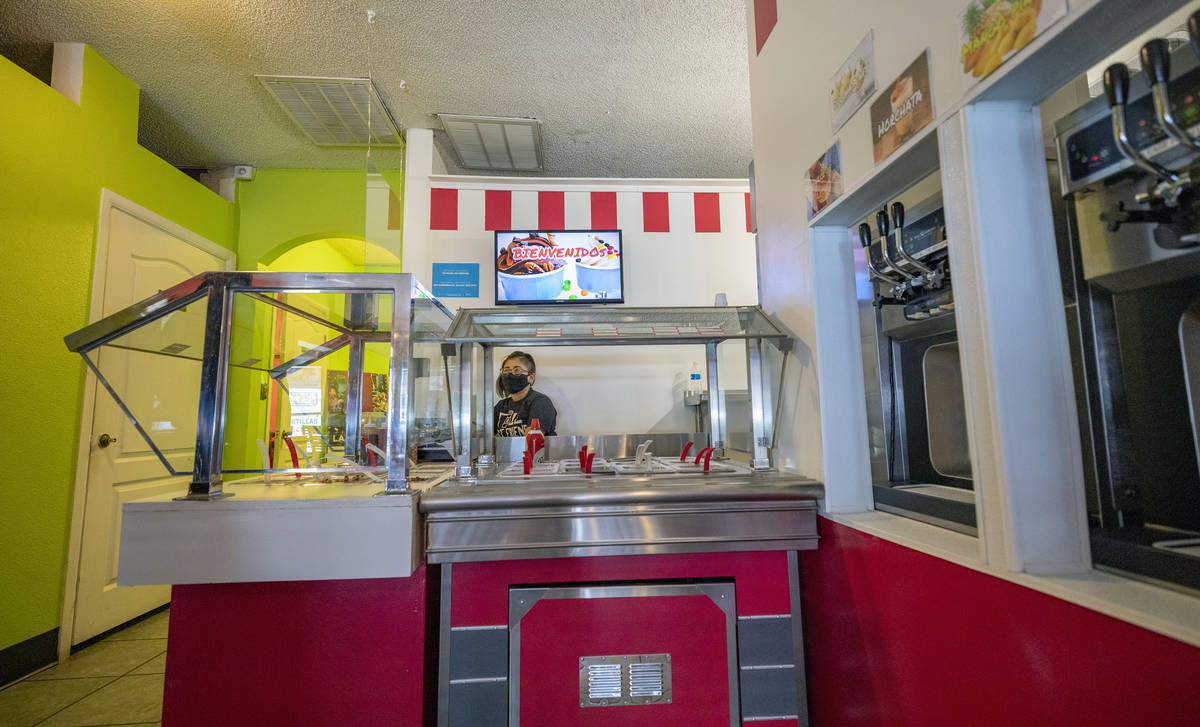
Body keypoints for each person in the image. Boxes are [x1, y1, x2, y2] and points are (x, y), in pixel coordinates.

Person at [493, 351, 557, 437]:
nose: (510, 374)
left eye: (517, 370)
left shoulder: (540, 402)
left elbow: (532, 440)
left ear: (531, 378)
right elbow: (483, 436)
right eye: (506, 370)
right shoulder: (501, 406)